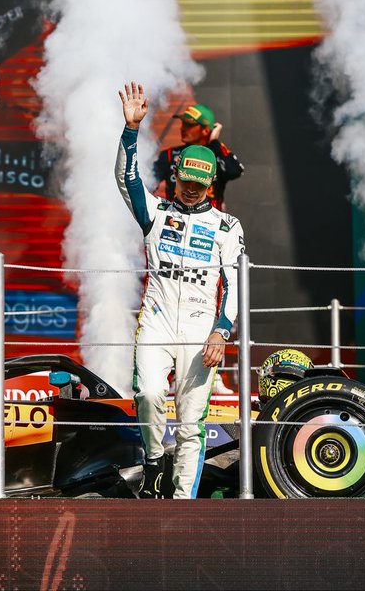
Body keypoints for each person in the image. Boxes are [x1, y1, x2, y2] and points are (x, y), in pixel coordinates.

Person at [116, 82, 245, 499]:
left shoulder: (227, 226)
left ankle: (183, 503)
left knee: (192, 423)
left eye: (199, 184)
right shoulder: (154, 212)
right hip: (154, 320)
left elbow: (233, 281)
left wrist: (221, 331)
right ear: (175, 176)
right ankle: (154, 464)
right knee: (149, 393)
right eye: (185, 181)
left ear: (210, 184)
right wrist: (131, 131)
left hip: (199, 327)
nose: (191, 189)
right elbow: (125, 177)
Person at [152, 102, 244, 210]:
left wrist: (214, 142)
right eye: (183, 123)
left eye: (189, 125)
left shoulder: (217, 155)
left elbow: (235, 171)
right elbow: (149, 184)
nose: (182, 128)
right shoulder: (168, 155)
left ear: (205, 130)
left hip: (210, 223)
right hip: (176, 220)